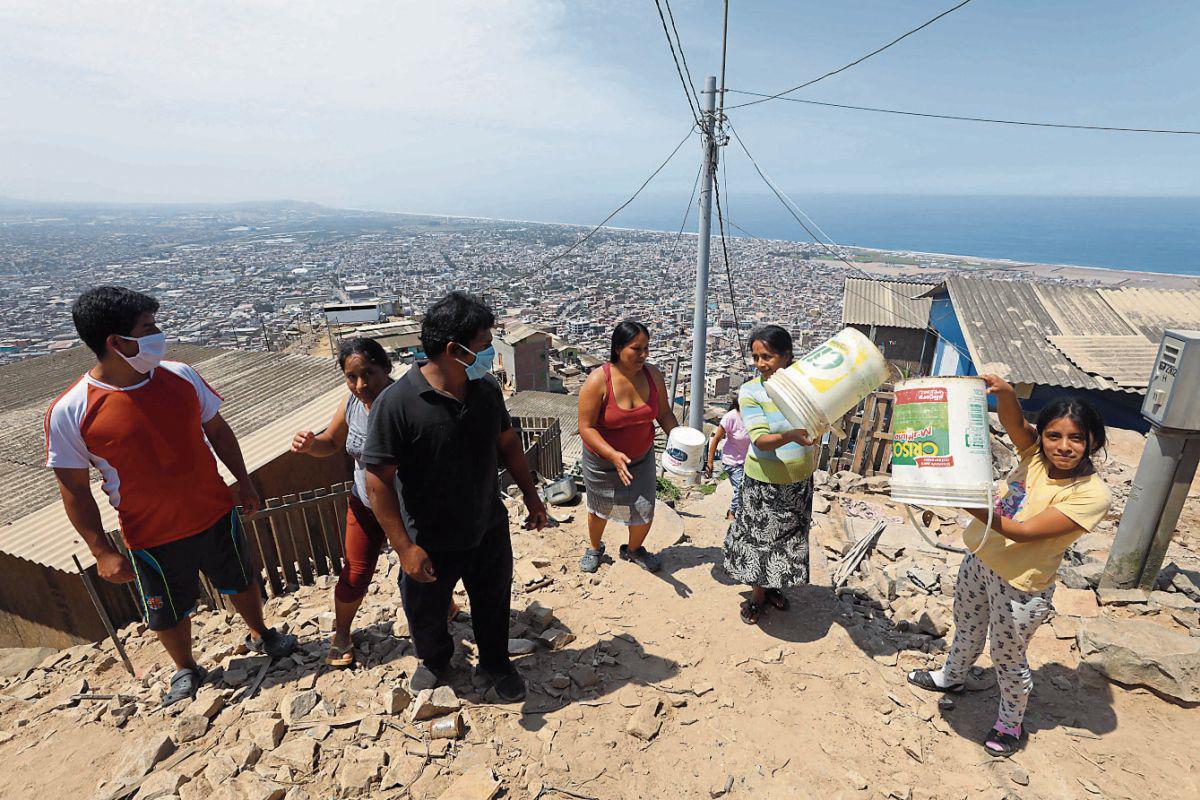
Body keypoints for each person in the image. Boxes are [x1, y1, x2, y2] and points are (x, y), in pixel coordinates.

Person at [46, 286, 296, 706]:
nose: (159, 335)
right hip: (151, 535)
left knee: (241, 579)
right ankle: (185, 667)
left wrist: (245, 482)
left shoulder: (180, 376)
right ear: (116, 342)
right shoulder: (72, 410)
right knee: (165, 608)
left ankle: (261, 633)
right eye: (148, 328)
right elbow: (73, 489)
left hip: (215, 512)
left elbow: (217, 430)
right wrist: (101, 551)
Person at [907, 377, 1111, 758]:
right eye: (1054, 436)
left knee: (1007, 656)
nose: (1063, 447)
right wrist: (1005, 395)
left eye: (1076, 439)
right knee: (966, 626)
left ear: (1094, 441)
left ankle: (1009, 722)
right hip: (980, 560)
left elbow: (1024, 532)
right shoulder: (1035, 458)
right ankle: (952, 677)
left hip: (1022, 587)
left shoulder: (1092, 495)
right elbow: (1015, 425)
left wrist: (959, 496)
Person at [360, 291, 548, 703]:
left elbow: (509, 445)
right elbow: (377, 482)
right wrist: (404, 547)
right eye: (482, 346)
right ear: (452, 350)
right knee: (425, 611)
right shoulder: (397, 404)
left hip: (487, 527)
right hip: (429, 537)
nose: (487, 353)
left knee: (493, 602)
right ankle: (436, 659)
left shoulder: (486, 393)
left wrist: (533, 499)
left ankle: (496, 661)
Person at [291, 337, 396, 668]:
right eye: (352, 377)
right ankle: (342, 635)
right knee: (355, 573)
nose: (361, 384)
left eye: (369, 374)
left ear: (386, 370)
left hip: (403, 507)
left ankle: (442, 609)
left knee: (421, 564)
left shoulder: (402, 403)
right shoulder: (352, 403)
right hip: (365, 504)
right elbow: (331, 442)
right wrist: (310, 445)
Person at [722, 325, 816, 625]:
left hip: (798, 479)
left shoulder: (803, 385)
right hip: (763, 481)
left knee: (789, 537)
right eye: (756, 357)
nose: (761, 364)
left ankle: (775, 584)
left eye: (768, 357)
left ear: (787, 356)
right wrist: (791, 436)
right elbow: (760, 440)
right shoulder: (751, 391)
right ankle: (758, 594)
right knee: (760, 539)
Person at [577, 320, 678, 573]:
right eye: (637, 349)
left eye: (646, 348)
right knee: (599, 507)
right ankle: (594, 547)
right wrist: (612, 455)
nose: (644, 355)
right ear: (618, 348)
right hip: (602, 461)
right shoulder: (598, 380)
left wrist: (679, 440)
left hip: (641, 457)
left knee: (644, 508)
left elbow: (664, 412)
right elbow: (586, 427)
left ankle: (633, 550)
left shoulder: (652, 375)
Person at [706, 397, 750, 520]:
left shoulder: (753, 417)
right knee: (741, 487)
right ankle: (732, 513)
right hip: (733, 461)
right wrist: (710, 462)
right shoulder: (731, 417)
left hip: (749, 461)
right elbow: (716, 439)